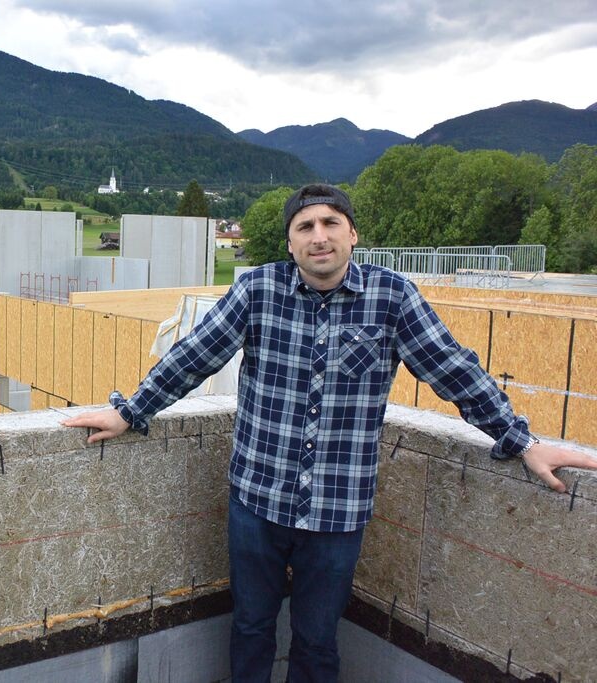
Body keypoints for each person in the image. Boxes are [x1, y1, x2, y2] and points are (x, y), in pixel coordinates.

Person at [61, 183, 597, 683]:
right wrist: (130, 412)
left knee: (317, 641)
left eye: (331, 223)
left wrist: (522, 441)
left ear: (352, 234)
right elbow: (190, 358)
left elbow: (453, 370)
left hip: (339, 511)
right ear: (290, 242)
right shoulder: (256, 290)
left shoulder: (392, 299)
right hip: (257, 501)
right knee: (250, 627)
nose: (319, 235)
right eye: (305, 227)